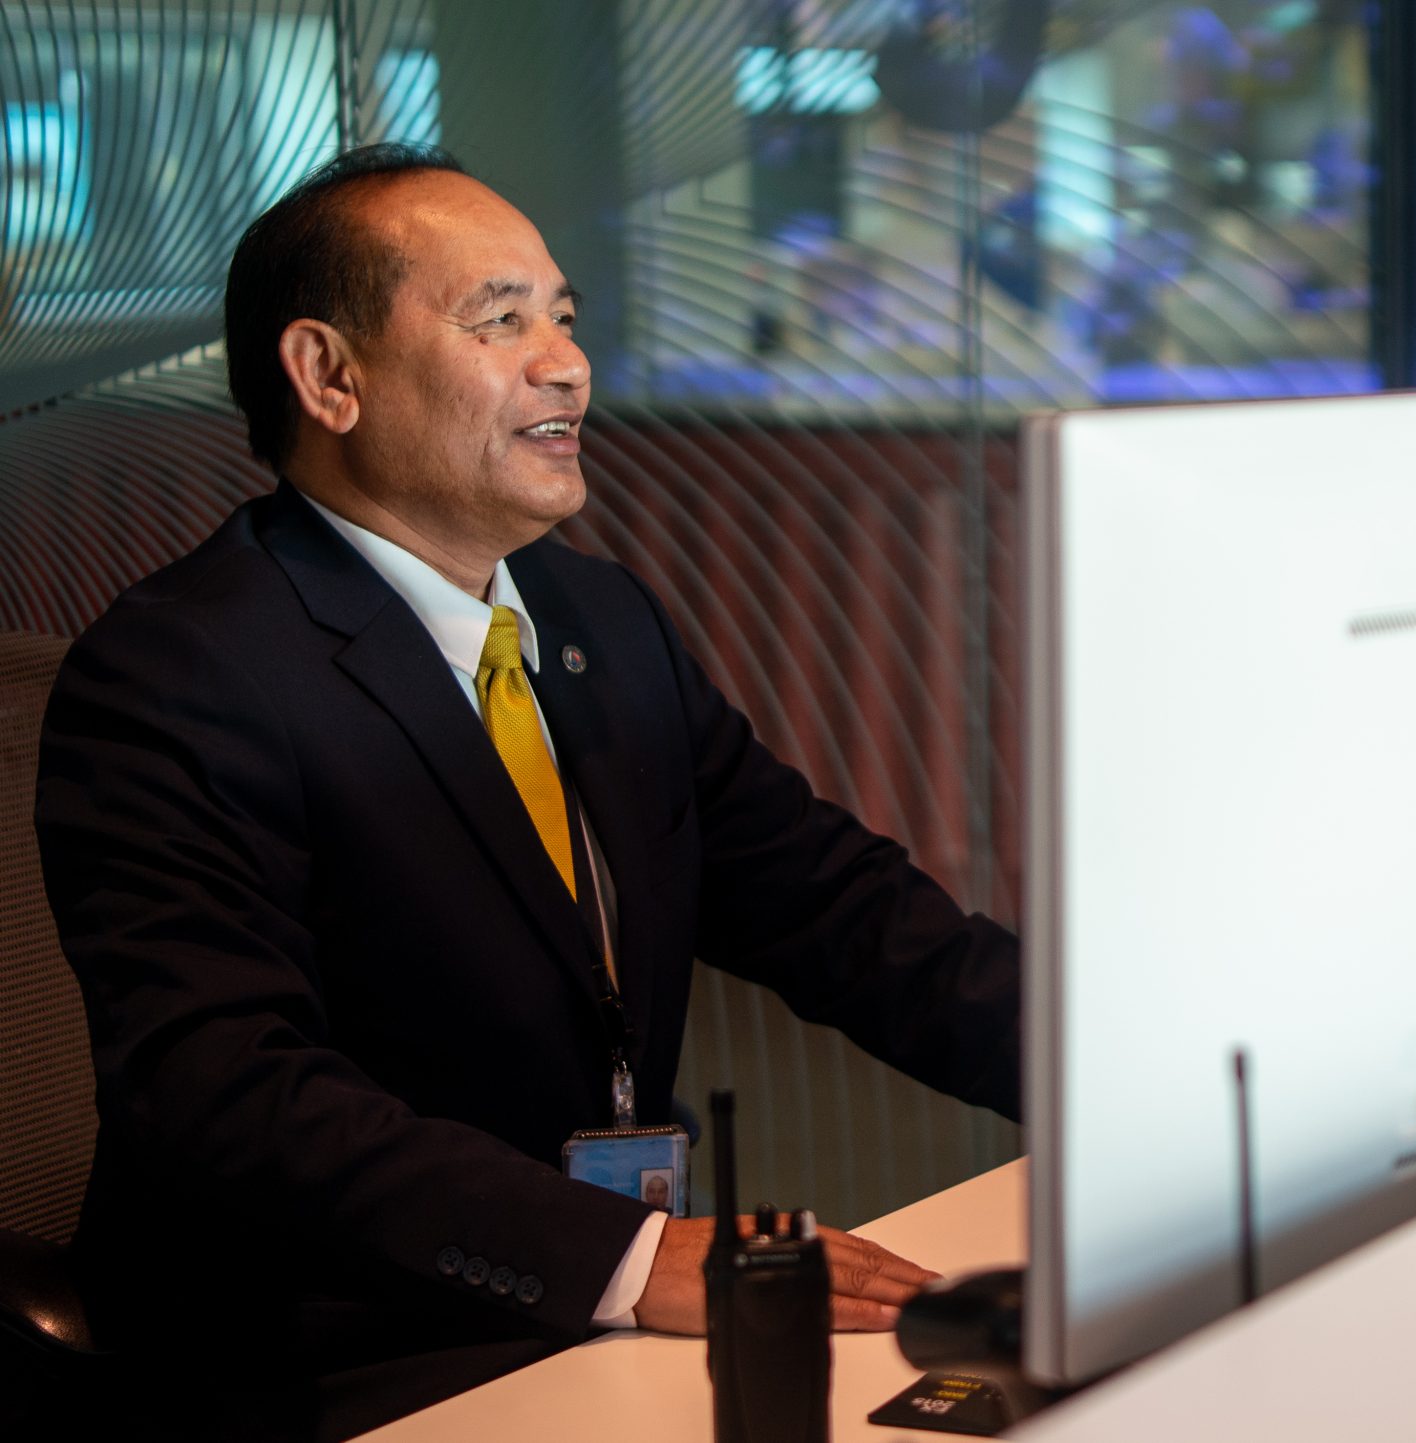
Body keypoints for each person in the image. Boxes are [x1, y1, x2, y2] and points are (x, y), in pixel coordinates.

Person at [34, 143, 1021, 1439]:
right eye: (499, 322)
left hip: (585, 1306)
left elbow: (839, 909)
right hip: (341, 1346)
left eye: (564, 316)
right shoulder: (178, 674)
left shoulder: (599, 618)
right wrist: (624, 1260)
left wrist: (1118, 1071)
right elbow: (228, 1092)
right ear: (328, 376)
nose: (565, 364)